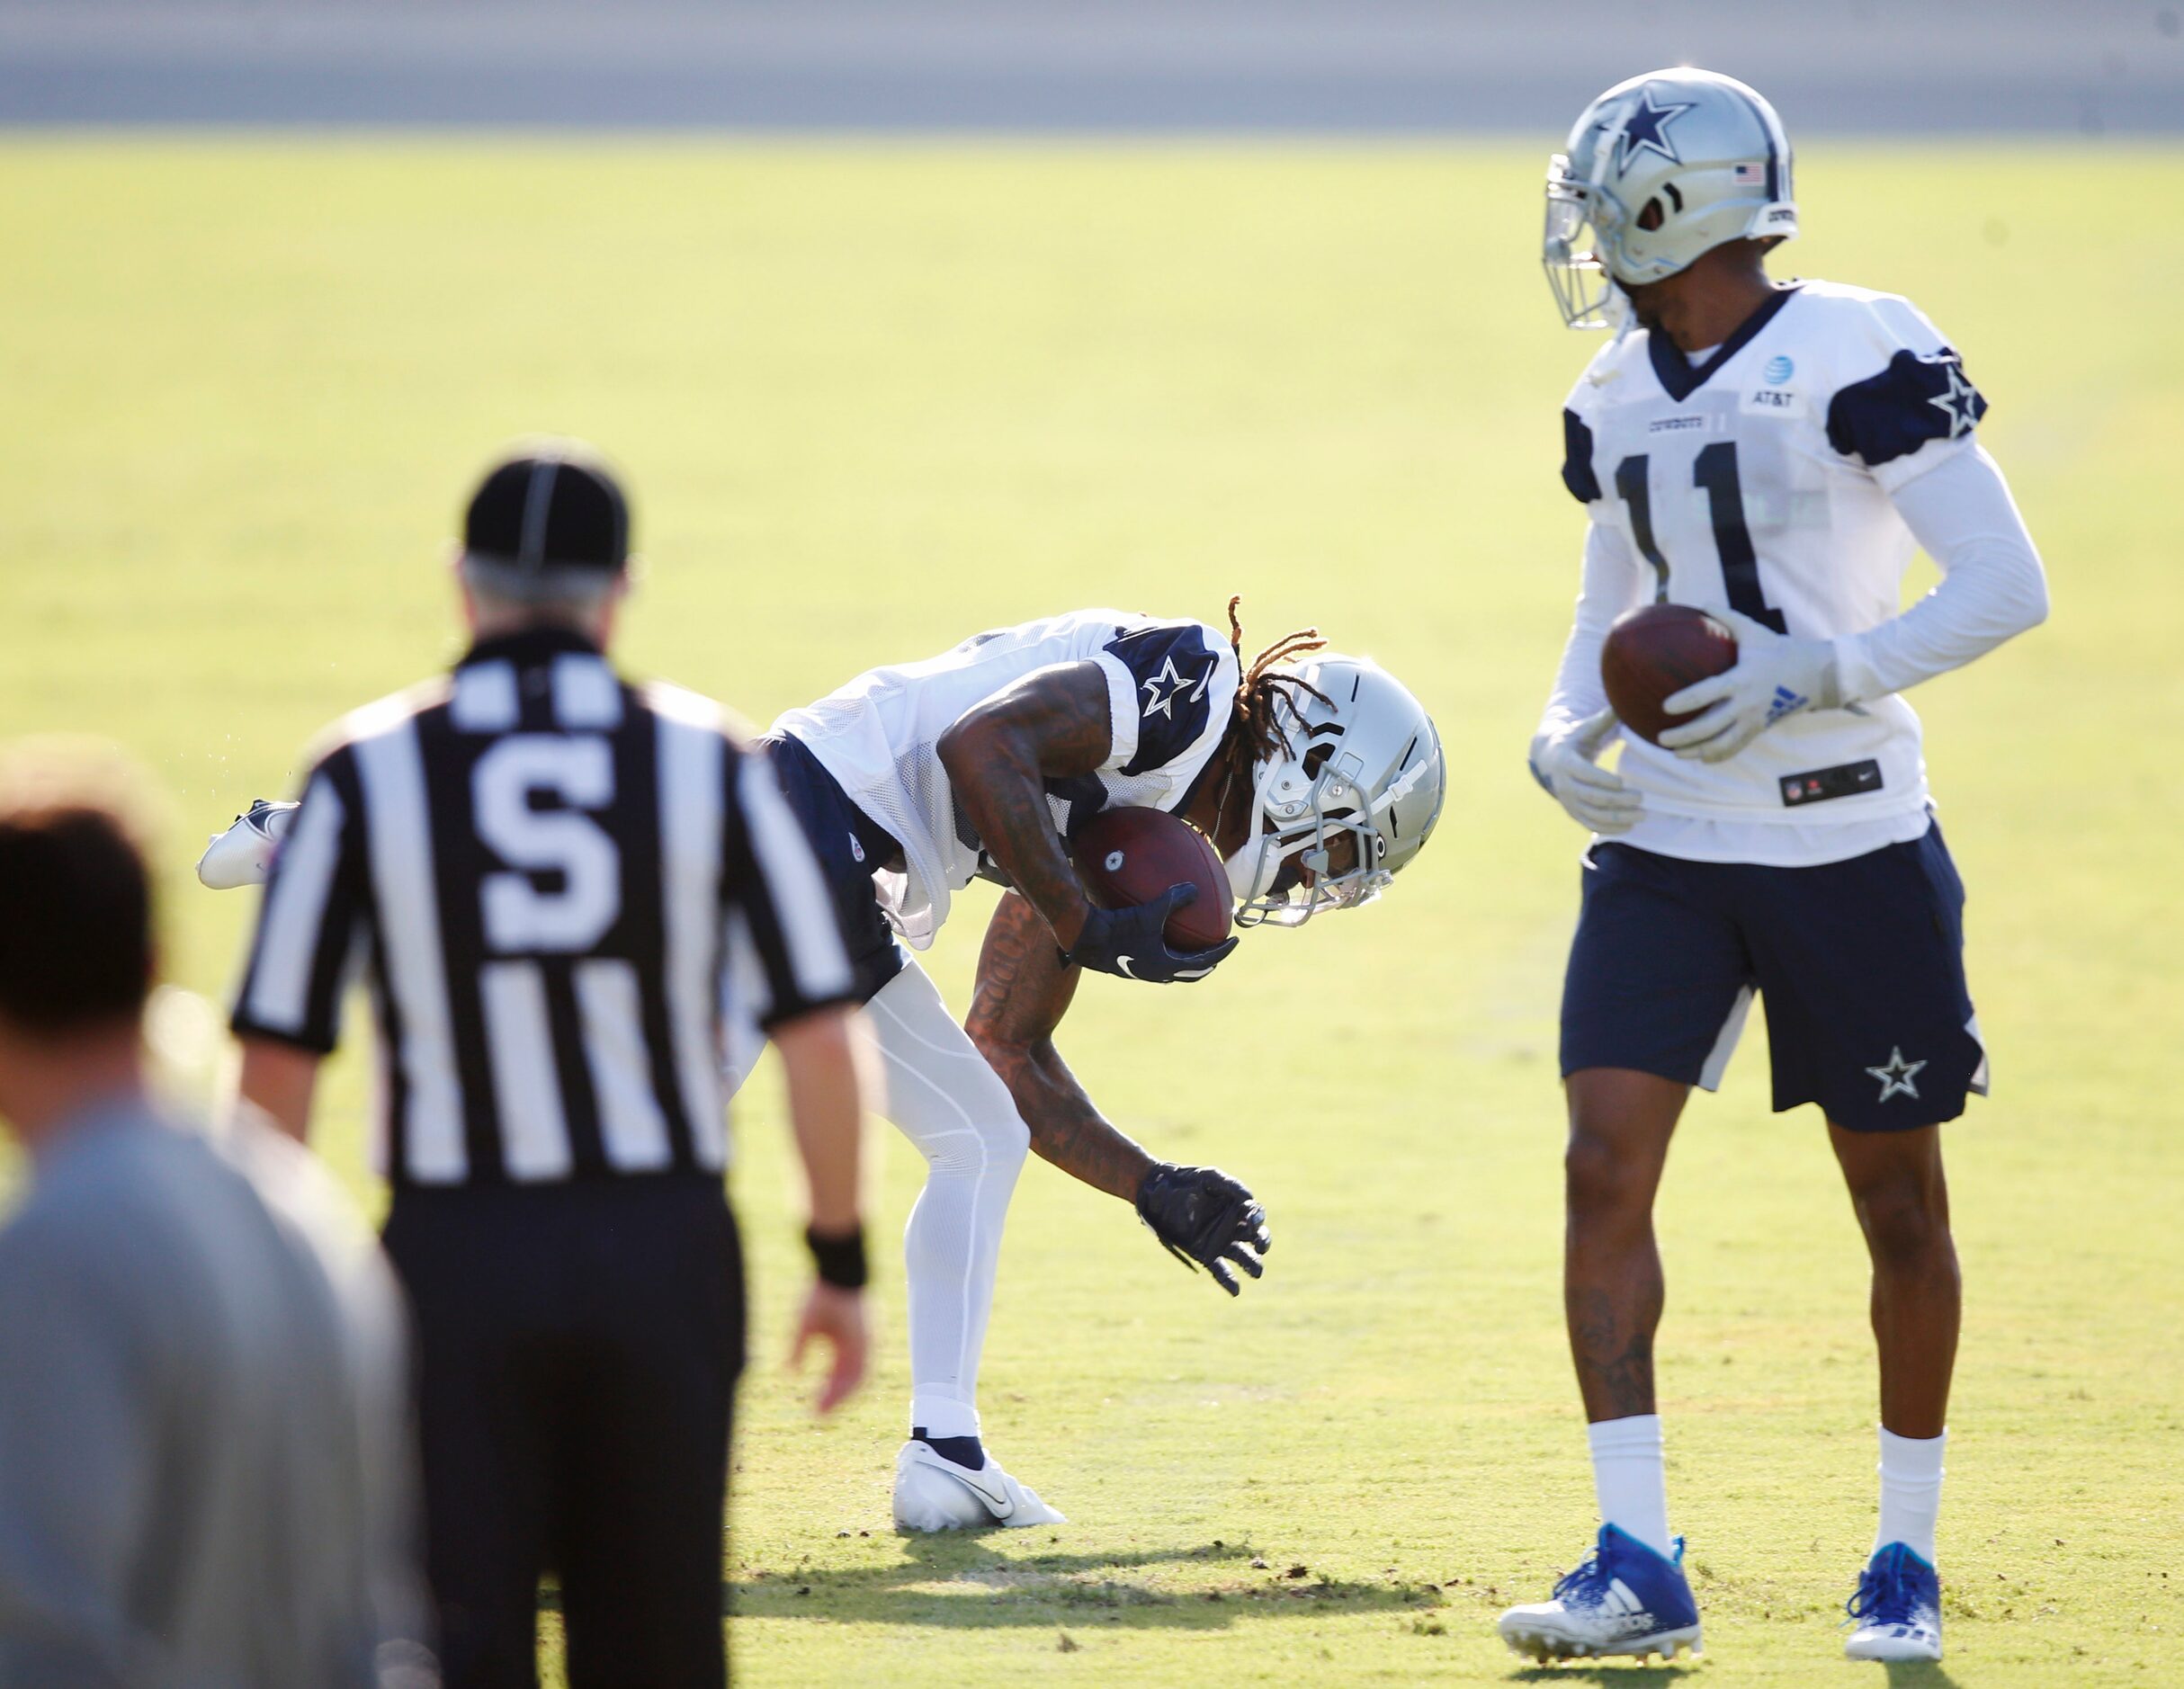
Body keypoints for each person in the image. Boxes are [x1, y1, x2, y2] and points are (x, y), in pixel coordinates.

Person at [1500, 69, 2048, 1667]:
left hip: (1845, 835)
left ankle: (1901, 1550)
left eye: (1602, 189)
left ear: (1674, 202)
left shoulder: (1857, 343)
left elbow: (2001, 584)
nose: (1580, 221)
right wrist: (1559, 723)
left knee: (1894, 1203)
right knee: (1599, 1164)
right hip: (1666, 841)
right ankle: (1632, 1556)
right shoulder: (1610, 389)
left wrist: (1815, 672)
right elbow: (1618, 588)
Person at [224, 443, 870, 1689]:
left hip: (453, 1257)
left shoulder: (365, 770)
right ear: (616, 591)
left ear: (463, 584)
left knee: (461, 1634)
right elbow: (820, 1032)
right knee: (659, 1637)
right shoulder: (704, 758)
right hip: (661, 1248)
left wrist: (267, 1297)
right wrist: (837, 1259)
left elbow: (276, 1059)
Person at [744, 600, 1445, 1530]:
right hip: (795, 822)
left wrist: (1150, 1186)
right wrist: (1083, 922)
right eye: (1345, 845)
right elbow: (980, 743)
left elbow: (1005, 1047)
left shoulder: (1127, 818)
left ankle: (944, 1454)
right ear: (1312, 765)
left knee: (976, 1133)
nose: (1317, 880)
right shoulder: (1191, 686)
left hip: (837, 870)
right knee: (631, 1157)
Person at [0, 742, 430, 1688]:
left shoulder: (56, 1254)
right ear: (154, 965)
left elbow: (47, 1638)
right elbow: (369, 1623)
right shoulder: (303, 1218)